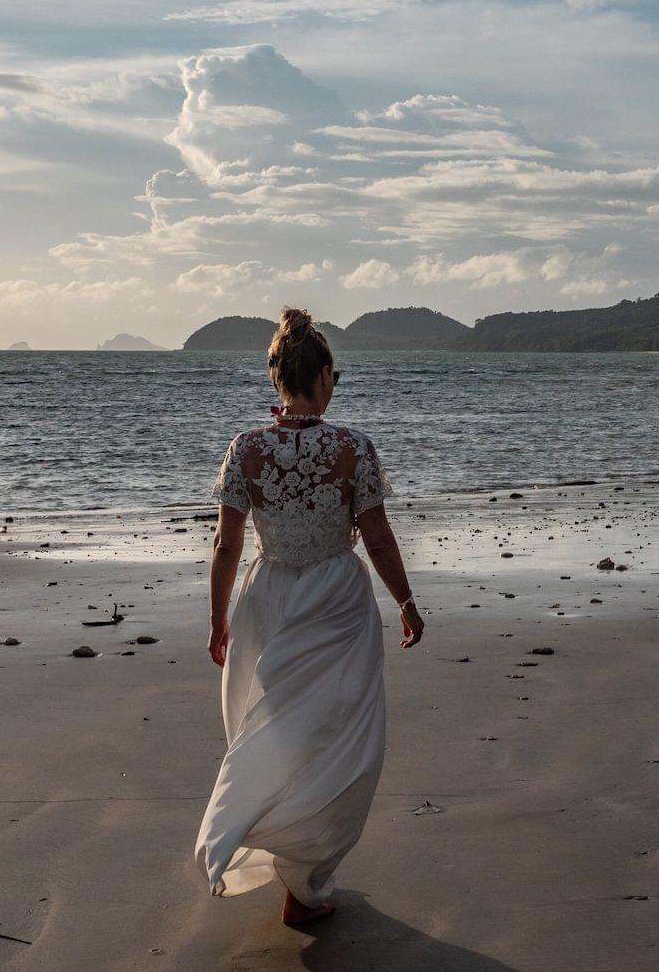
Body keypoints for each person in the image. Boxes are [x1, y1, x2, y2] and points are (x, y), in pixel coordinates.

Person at [195, 307, 424, 928]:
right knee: (341, 739)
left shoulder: (246, 449)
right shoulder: (353, 448)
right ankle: (305, 878)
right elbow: (376, 539)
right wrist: (405, 601)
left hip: (269, 600)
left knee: (278, 726)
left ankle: (289, 861)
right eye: (334, 376)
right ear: (322, 376)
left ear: (278, 380)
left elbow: (227, 546)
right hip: (337, 601)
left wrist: (219, 620)